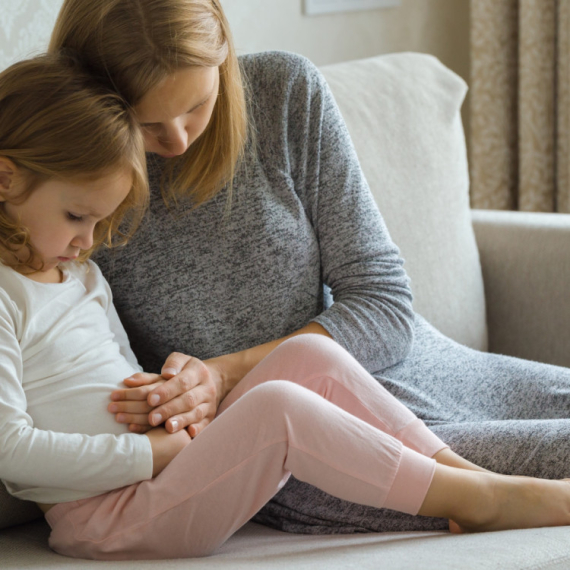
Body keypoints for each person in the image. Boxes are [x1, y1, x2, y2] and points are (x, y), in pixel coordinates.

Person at [5, 56, 570, 563]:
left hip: (172, 465)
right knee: (278, 407)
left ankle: (467, 478)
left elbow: (124, 371)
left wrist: (172, 403)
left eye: (100, 223)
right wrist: (147, 454)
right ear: (5, 178)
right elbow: (12, 452)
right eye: (79, 216)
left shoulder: (79, 271)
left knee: (308, 352)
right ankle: (484, 499)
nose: (90, 239)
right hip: (110, 517)